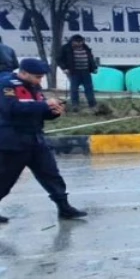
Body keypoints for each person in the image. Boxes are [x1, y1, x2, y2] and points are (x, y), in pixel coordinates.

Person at [0, 58, 87, 223]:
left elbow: (39, 110)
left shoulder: (33, 86)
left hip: (35, 139)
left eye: (41, 77)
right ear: (23, 72)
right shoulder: (7, 85)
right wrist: (45, 105)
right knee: (4, 179)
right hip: (13, 141)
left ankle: (64, 207)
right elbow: (12, 109)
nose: (39, 80)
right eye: (37, 76)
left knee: (51, 174)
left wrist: (53, 111)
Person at [58, 34, 98, 113]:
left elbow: (90, 58)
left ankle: (93, 105)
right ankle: (75, 106)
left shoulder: (86, 47)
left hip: (86, 71)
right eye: (77, 42)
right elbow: (59, 59)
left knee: (89, 89)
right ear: (72, 41)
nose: (79, 44)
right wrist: (64, 68)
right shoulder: (66, 48)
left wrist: (94, 68)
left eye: (81, 42)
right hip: (74, 72)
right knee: (74, 89)